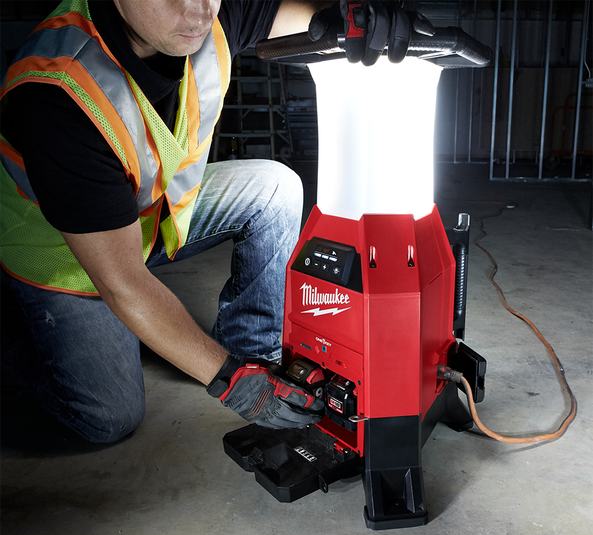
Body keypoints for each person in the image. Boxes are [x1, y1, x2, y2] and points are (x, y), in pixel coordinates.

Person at [0, 0, 417, 443]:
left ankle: (250, 352)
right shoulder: (59, 93)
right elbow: (121, 280)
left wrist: (349, 18)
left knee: (275, 187)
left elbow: (301, 17)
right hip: (66, 257)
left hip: (148, 216)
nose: (200, 12)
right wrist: (228, 382)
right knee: (110, 416)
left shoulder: (210, 14)